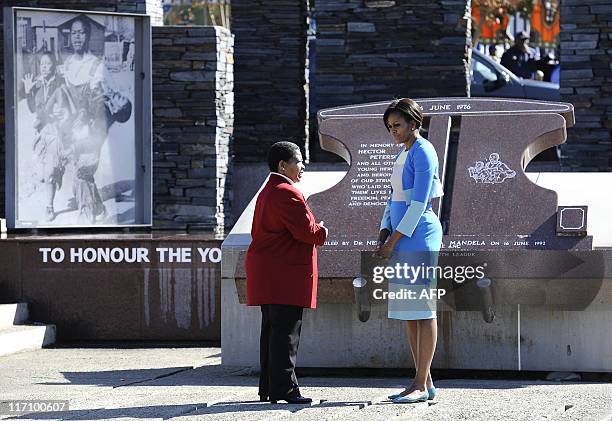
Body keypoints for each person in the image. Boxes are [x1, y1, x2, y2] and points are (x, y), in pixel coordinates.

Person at [245, 141, 328, 404]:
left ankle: (269, 387)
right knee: (286, 335)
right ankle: (286, 390)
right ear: (283, 165)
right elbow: (308, 232)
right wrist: (322, 229)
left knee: (272, 332)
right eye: (299, 160)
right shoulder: (286, 192)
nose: (303, 165)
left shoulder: (269, 190)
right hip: (284, 274)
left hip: (270, 273)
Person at [377, 98, 443, 403]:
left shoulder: (424, 150)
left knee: (423, 310)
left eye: (398, 125)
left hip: (419, 236)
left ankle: (419, 383)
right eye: (390, 126)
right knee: (409, 310)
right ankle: (423, 383)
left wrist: (392, 241)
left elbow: (418, 205)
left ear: (414, 123)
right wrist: (384, 230)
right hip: (402, 237)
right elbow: (394, 198)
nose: (393, 131)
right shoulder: (402, 152)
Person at [22, 52, 73, 222]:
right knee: (44, 172)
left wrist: (59, 112)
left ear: (54, 66)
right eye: (42, 64)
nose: (44, 67)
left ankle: (49, 206)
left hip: (55, 132)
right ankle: (57, 173)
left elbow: (65, 108)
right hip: (41, 132)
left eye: (48, 63)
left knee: (50, 170)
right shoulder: (36, 84)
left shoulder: (60, 82)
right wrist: (29, 92)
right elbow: (32, 109)